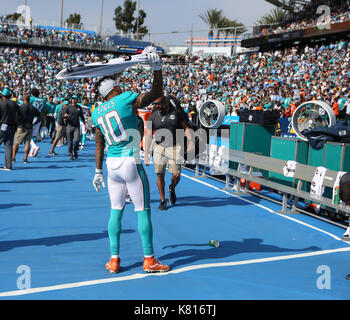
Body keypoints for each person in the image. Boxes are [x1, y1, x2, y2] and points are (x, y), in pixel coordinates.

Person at [91, 50, 170, 274]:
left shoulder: (96, 113)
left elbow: (98, 145)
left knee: (115, 211)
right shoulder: (125, 98)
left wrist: (97, 171)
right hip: (130, 161)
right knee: (142, 210)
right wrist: (157, 70)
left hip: (111, 165)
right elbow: (156, 93)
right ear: (114, 89)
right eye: (118, 84)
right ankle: (149, 259)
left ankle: (114, 260)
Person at [144, 94, 194, 210]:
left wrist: (191, 141)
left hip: (175, 146)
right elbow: (148, 135)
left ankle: (172, 187)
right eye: (155, 104)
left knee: (176, 175)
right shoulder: (153, 115)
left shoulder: (177, 113)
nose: (156, 106)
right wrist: (146, 153)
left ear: (165, 103)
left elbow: (186, 128)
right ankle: (163, 201)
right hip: (159, 147)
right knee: (160, 174)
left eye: (158, 104)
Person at [12, 94, 42, 164]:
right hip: (29, 127)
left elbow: (17, 117)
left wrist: (16, 126)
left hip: (21, 127)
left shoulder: (21, 107)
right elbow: (40, 116)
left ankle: (13, 158)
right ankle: (25, 158)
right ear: (29, 100)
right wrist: (34, 123)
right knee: (27, 143)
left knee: (16, 143)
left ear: (23, 99)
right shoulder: (33, 108)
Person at [0, 88, 21, 170]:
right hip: (12, 127)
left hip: (3, 126)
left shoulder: (1, 103)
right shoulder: (14, 104)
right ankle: (8, 165)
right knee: (8, 146)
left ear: (3, 96)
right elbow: (20, 114)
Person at [63, 95, 86, 160]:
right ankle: (70, 154)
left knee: (77, 140)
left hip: (76, 127)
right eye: (73, 99)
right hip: (69, 126)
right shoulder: (68, 107)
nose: (74, 100)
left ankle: (75, 151)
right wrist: (65, 118)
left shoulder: (79, 108)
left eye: (75, 99)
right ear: (71, 100)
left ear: (77, 100)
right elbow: (64, 115)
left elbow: (82, 117)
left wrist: (85, 125)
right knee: (70, 142)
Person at [29, 88, 46, 157]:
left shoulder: (31, 99)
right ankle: (32, 151)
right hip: (39, 117)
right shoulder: (43, 100)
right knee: (34, 135)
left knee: (28, 134)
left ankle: (34, 147)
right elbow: (44, 110)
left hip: (32, 117)